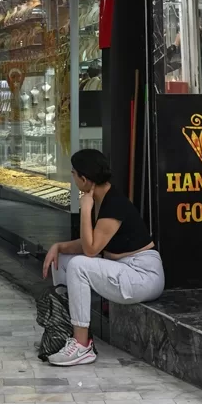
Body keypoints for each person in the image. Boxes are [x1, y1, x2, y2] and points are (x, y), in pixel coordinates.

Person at [41, 149, 164, 366]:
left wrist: (85, 210)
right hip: (123, 269)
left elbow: (90, 250)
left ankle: (82, 346)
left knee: (78, 264)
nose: (72, 177)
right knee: (63, 261)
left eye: (73, 173)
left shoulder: (113, 203)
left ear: (84, 179)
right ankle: (64, 331)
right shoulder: (99, 199)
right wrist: (58, 247)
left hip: (143, 274)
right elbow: (91, 242)